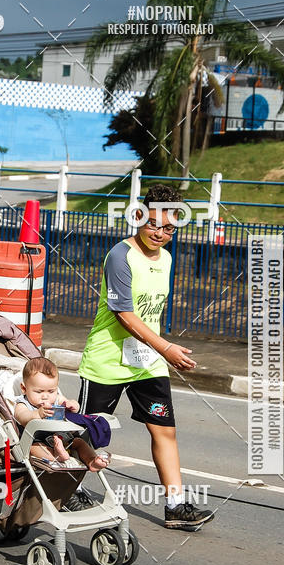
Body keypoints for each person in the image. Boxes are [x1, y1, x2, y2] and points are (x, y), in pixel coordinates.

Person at [78, 184, 215, 530]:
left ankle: (176, 506)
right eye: (153, 223)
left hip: (146, 361)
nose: (159, 232)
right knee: (89, 433)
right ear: (138, 217)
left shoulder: (166, 258)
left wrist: (159, 351)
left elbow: (150, 314)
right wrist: (166, 347)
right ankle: (69, 490)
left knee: (164, 430)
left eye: (168, 227)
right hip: (107, 360)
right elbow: (124, 313)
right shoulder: (120, 256)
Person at [14, 357, 109, 472]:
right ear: (24, 388)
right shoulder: (22, 404)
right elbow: (22, 417)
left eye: (51, 391)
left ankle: (92, 460)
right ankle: (56, 457)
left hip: (61, 437)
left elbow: (72, 405)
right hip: (37, 439)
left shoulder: (57, 399)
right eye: (39, 392)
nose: (45, 396)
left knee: (79, 443)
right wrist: (36, 414)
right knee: (34, 449)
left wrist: (72, 405)